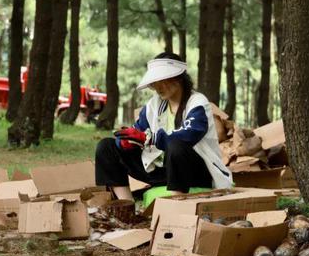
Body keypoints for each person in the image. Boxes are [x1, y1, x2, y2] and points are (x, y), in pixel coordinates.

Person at [94, 53, 232, 200]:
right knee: (106, 147)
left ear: (179, 78)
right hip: (163, 171)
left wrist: (150, 138)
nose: (157, 87)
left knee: (176, 145)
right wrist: (125, 143)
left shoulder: (198, 102)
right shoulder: (154, 104)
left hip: (196, 172)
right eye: (154, 82)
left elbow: (190, 133)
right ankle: (126, 207)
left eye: (162, 81)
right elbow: (138, 131)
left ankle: (176, 204)